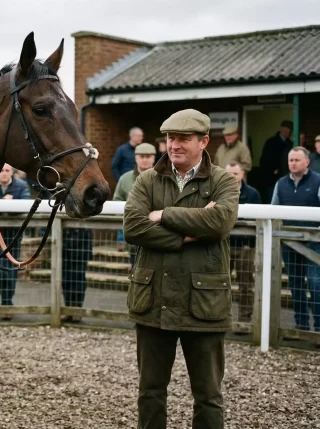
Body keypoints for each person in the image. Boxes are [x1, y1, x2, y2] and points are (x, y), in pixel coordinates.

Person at [123, 109, 239, 429]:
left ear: (204, 142)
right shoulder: (147, 179)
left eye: (183, 138)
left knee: (208, 395)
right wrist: (187, 235)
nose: (174, 145)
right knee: (150, 392)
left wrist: (163, 215)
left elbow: (220, 222)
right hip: (153, 301)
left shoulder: (223, 180)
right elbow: (133, 227)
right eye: (170, 138)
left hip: (204, 304)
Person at [271, 146, 320, 332]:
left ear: (307, 162)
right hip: (288, 242)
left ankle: (319, 327)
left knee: (315, 284)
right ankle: (301, 325)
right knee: (295, 284)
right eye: (290, 160)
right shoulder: (281, 183)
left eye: (297, 160)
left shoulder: (318, 181)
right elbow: (273, 210)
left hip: (314, 242)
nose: (293, 163)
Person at [0, 164, 31, 319]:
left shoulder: (21, 185)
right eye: (1, 170)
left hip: (14, 235)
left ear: (12, 172)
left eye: (7, 170)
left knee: (12, 269)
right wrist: (3, 202)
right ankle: (4, 303)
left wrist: (11, 204)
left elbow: (26, 203)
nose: (4, 173)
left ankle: (7, 303)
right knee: (0, 269)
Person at [224, 162, 260, 326]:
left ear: (242, 174)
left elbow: (257, 221)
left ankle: (244, 319)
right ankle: (221, 317)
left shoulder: (253, 194)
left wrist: (250, 244)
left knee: (245, 284)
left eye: (235, 173)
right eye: (229, 173)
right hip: (225, 244)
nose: (232, 177)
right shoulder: (220, 192)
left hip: (246, 247)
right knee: (221, 283)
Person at [113, 142, 156, 264]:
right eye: (141, 156)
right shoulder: (125, 179)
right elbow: (117, 201)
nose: (145, 160)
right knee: (135, 263)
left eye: (148, 156)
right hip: (134, 232)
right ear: (136, 158)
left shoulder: (163, 178)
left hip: (156, 231)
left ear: (154, 158)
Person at [260, 120, 293, 201]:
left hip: (285, 177)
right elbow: (264, 160)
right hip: (272, 179)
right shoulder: (271, 142)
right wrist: (273, 170)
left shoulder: (290, 143)